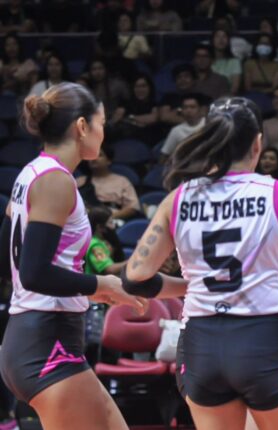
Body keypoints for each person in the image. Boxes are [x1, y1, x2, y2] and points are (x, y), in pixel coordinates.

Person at [121, 96, 278, 430]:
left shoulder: (178, 199)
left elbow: (134, 279)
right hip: (260, 340)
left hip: (200, 345)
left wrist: (190, 287)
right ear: (258, 143)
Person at [0, 82, 150, 429]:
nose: (103, 132)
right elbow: (33, 273)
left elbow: (8, 263)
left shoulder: (31, 172)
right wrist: (100, 283)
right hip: (47, 343)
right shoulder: (56, 181)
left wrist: (82, 289)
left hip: (34, 338)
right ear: (82, 126)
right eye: (102, 123)